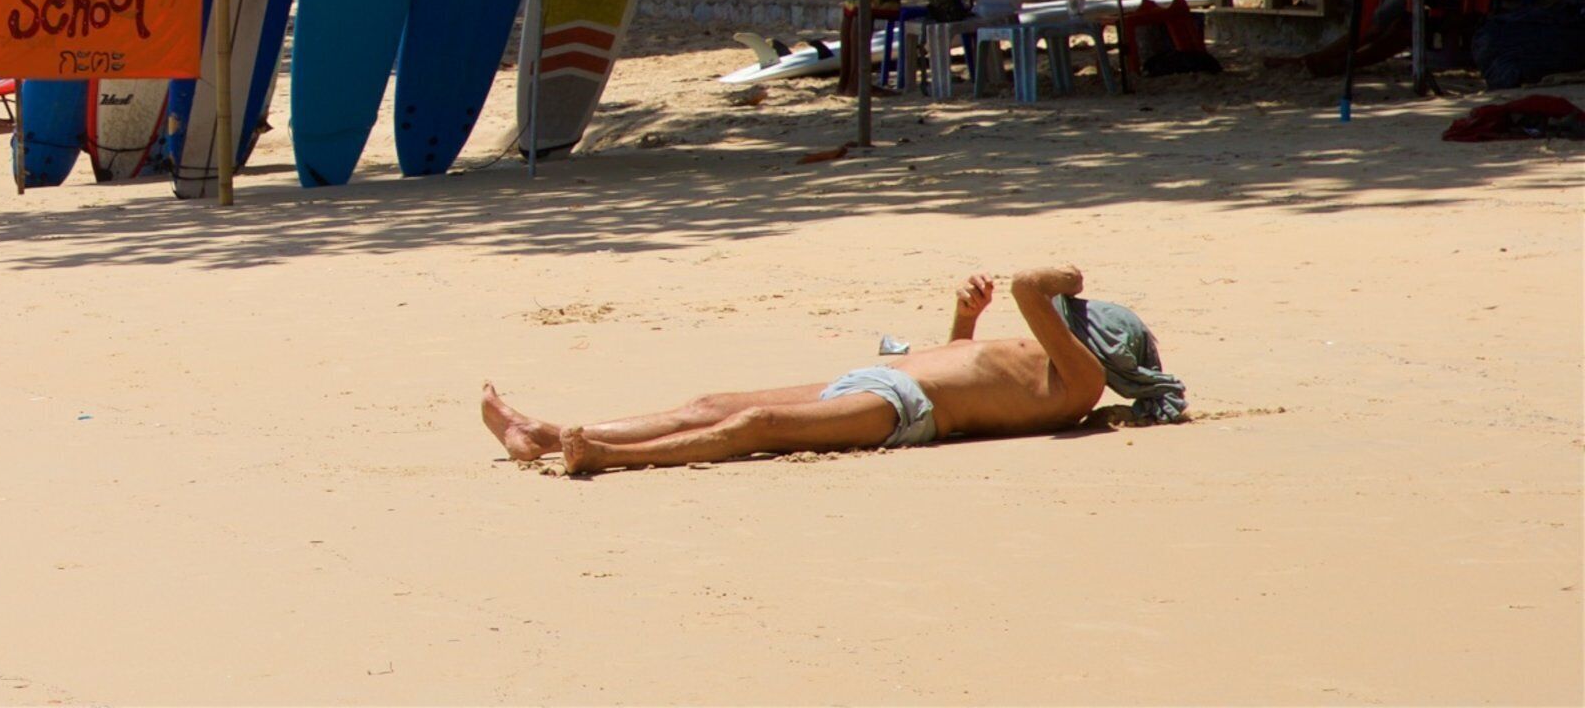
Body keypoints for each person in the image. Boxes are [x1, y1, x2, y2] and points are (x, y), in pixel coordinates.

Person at [481, 264, 1183, 473]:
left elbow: (1034, 287)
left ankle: (603, 453)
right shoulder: (1049, 372)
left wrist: (1065, 276)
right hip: (887, 382)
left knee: (756, 425)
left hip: (906, 411)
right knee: (710, 401)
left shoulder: (1081, 382)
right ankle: (538, 434)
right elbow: (962, 364)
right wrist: (966, 319)